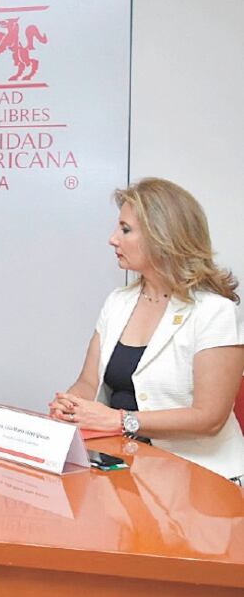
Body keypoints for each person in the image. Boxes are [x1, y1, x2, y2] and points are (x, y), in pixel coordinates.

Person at [50, 178, 244, 482]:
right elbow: (88, 384)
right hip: (125, 469)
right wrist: (70, 406)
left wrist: (120, 420)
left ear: (162, 236)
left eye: (125, 230)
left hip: (203, 481)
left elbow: (209, 419)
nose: (112, 239)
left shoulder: (214, 311)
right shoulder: (118, 302)